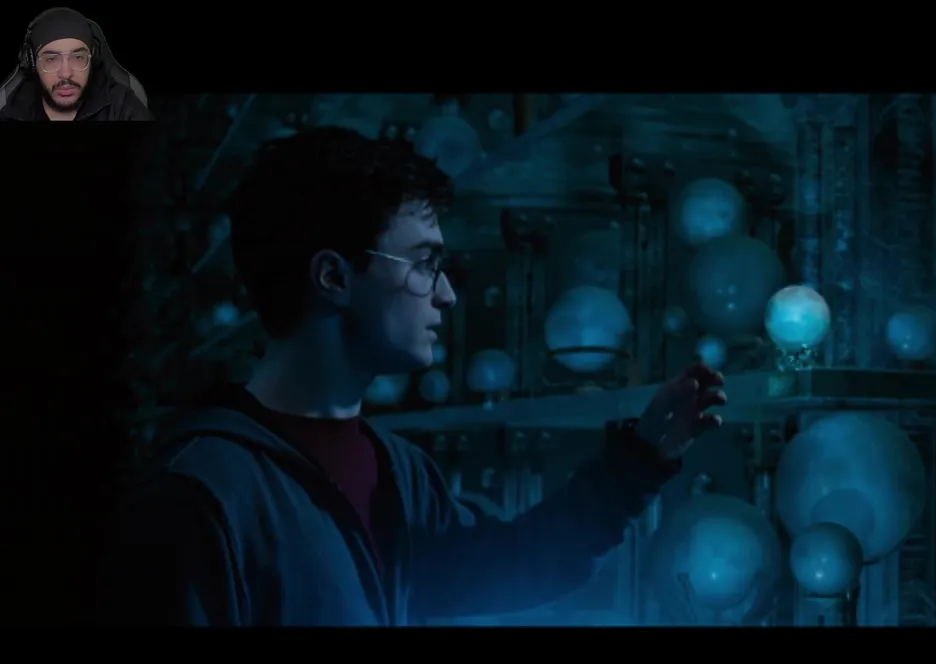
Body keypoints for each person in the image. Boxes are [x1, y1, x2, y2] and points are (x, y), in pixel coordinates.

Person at [99, 126, 727, 626]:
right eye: (425, 263)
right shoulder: (200, 496)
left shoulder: (399, 471)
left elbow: (516, 564)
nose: (447, 294)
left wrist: (641, 459)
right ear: (333, 277)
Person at [0, 8, 150, 122]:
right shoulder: (13, 114)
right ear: (32, 64)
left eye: (78, 57)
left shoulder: (122, 106)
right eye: (51, 59)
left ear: (92, 59)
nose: (66, 74)